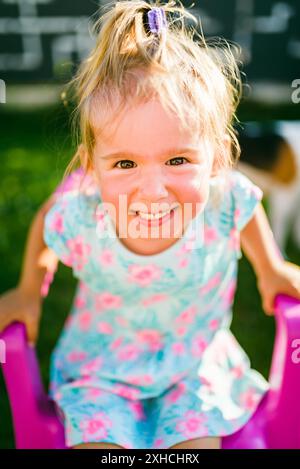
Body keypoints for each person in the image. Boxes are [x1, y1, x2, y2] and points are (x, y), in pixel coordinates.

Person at [1, 0, 300, 450]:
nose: (153, 190)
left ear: (218, 158)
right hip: (101, 369)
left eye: (178, 160)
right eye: (124, 163)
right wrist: (30, 287)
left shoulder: (223, 199)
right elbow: (49, 220)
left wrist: (271, 267)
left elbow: (247, 212)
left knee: (198, 445)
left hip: (192, 363)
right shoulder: (84, 215)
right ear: (91, 169)